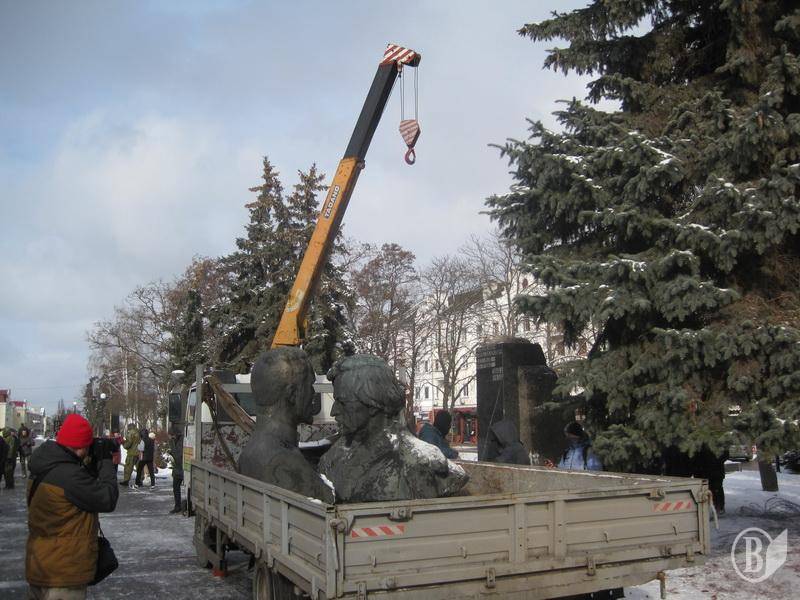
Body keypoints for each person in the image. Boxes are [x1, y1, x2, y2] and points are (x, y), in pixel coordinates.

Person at [319, 354, 468, 502]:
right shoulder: (333, 457)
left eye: (343, 402)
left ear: (373, 404)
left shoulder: (423, 465)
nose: (334, 411)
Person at [26, 413, 119, 600]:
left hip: (41, 565)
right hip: (63, 572)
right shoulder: (69, 476)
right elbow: (107, 498)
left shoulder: (46, 466)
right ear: (81, 447)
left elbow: (80, 492)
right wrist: (105, 462)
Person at [238, 347, 334, 502]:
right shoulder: (284, 463)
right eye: (310, 386)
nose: (313, 394)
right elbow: (329, 507)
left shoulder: (253, 449)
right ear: (292, 394)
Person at [168, 425, 184, 514]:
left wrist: (172, 454)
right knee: (175, 487)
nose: (169, 437)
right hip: (177, 468)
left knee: (179, 487)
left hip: (182, 468)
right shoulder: (173, 441)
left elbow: (179, 455)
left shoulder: (181, 441)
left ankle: (180, 506)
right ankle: (177, 506)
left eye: (171, 435)